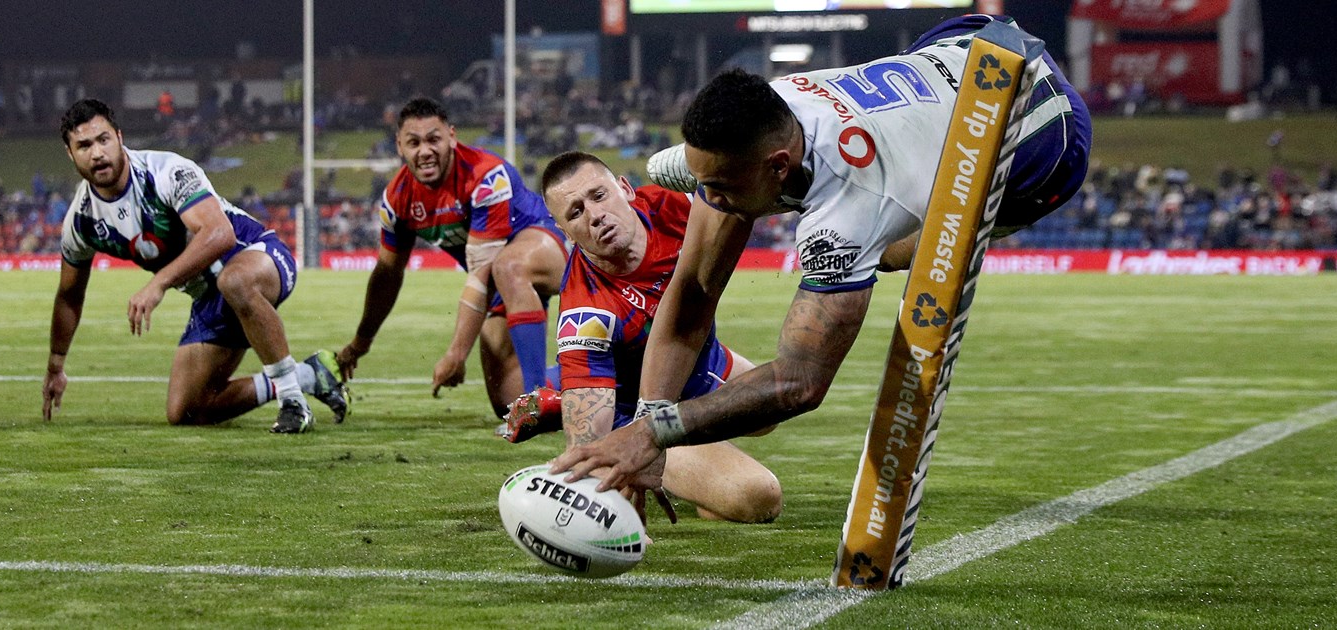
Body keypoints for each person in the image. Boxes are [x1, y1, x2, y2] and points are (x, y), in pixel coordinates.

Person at [552, 15, 1091, 491]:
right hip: (964, 43)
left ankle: (918, 225)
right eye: (703, 182)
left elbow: (799, 383)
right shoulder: (764, 110)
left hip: (1038, 136)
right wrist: (653, 424)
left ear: (778, 167)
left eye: (719, 187)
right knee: (700, 199)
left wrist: (651, 433)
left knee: (897, 251)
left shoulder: (847, 215)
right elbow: (692, 291)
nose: (707, 201)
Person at [500, 151, 781, 523]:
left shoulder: (675, 206)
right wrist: (611, 509)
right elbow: (589, 448)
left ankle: (561, 399)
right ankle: (566, 400)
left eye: (599, 196)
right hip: (632, 412)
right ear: (565, 233)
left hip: (699, 363)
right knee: (758, 499)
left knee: (772, 411)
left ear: (625, 189)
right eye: (576, 213)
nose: (595, 215)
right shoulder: (586, 314)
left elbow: (752, 189)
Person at [42, 99, 350, 433]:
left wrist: (158, 283)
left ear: (119, 137)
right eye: (84, 145)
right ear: (70, 154)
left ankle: (292, 403)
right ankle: (308, 375)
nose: (97, 153)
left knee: (233, 281)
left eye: (103, 140)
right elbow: (69, 295)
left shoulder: (165, 171)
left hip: (257, 256)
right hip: (209, 296)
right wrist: (56, 365)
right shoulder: (82, 220)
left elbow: (220, 235)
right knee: (187, 411)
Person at [334, 98, 567, 415]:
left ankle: (538, 401)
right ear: (400, 147)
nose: (425, 150)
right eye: (414, 142)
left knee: (508, 265)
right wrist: (360, 342)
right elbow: (387, 275)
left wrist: (457, 353)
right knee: (505, 401)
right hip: (500, 283)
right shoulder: (397, 200)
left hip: (549, 246)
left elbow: (483, 271)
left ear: (452, 137)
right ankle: (598, 379)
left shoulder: (486, 176)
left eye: (434, 139)